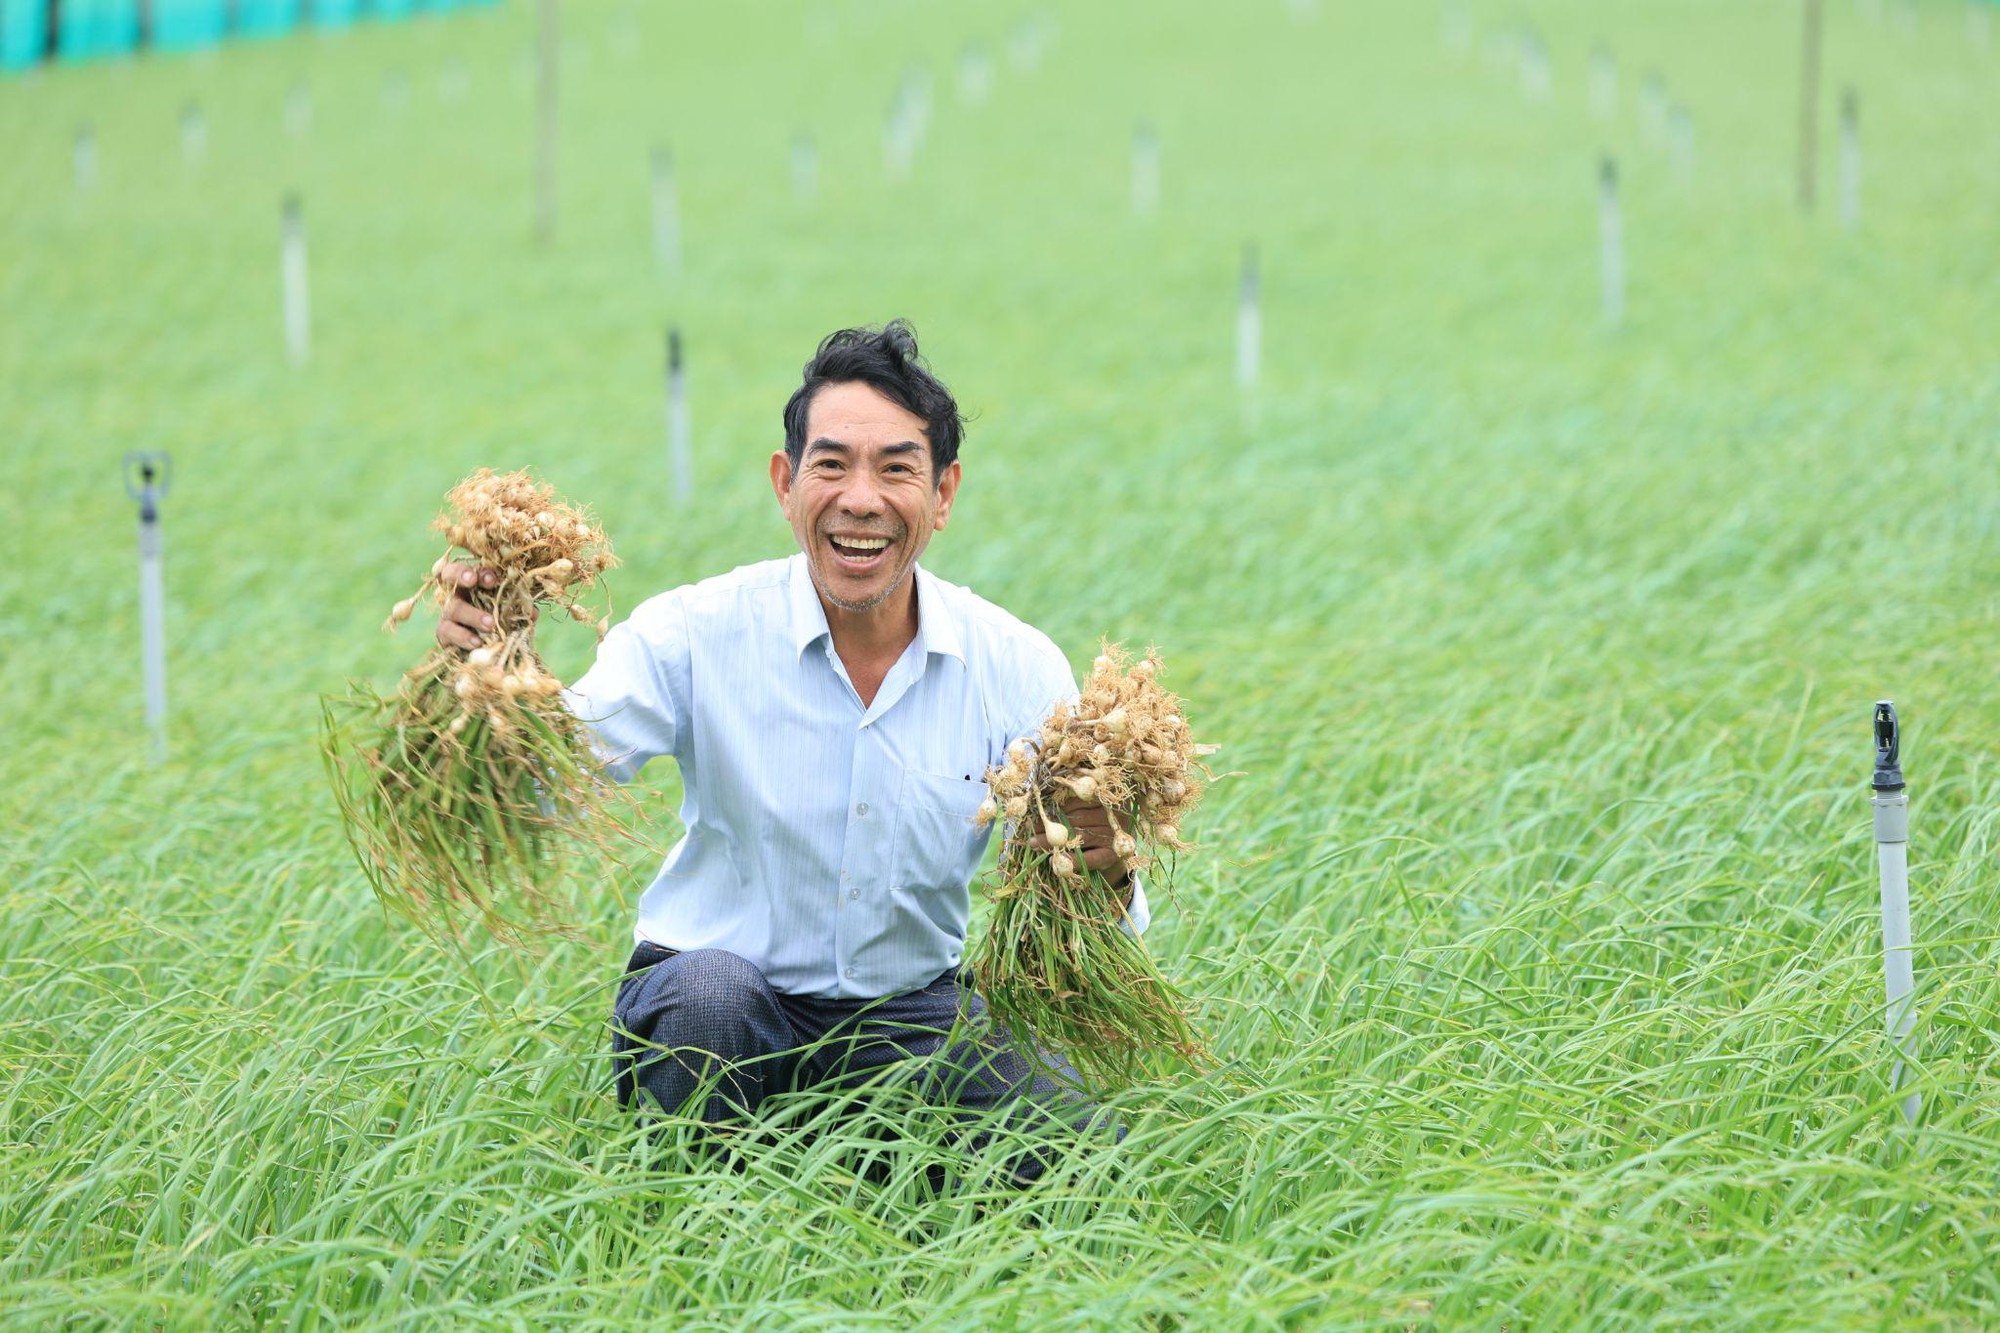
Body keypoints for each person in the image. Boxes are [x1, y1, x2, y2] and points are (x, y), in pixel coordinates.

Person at [435, 321, 1146, 1179]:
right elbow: (547, 782)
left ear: (944, 494)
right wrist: (487, 679)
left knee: (1072, 1133)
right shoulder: (693, 631)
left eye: (896, 468)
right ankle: (690, 1232)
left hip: (910, 1012)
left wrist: (1106, 870)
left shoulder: (1013, 663)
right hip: (723, 996)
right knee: (710, 1004)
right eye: (832, 463)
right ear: (786, 482)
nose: (861, 498)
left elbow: (1090, 908)